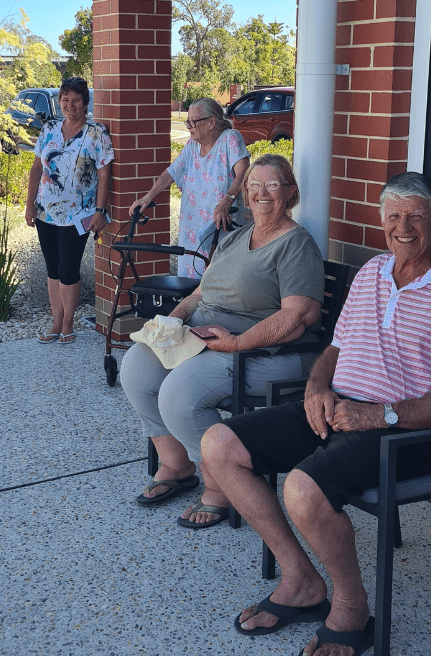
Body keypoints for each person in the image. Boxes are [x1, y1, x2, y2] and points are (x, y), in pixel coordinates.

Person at [200, 171, 431, 656]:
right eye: (393, 216)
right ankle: (300, 579)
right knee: (219, 445)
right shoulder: (372, 272)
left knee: (303, 490)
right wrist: (317, 386)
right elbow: (336, 347)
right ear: (382, 221)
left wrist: (379, 415)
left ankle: (350, 607)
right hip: (339, 409)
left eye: (416, 217)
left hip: (405, 432)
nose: (403, 228)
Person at [120, 154, 324, 528]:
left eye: (272, 185)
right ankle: (176, 465)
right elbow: (201, 292)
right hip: (209, 339)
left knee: (179, 392)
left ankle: (220, 486)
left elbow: (299, 316)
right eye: (253, 185)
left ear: (290, 192)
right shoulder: (236, 237)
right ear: (245, 193)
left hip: (268, 352)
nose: (262, 193)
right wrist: (174, 319)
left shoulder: (296, 244)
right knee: (137, 367)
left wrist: (238, 343)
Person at [25, 76, 113, 345]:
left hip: (78, 214)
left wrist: (100, 210)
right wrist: (29, 205)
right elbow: (37, 168)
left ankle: (68, 322)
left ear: (86, 103)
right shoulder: (49, 129)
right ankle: (56, 321)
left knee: (68, 268)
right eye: (65, 100)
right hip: (46, 212)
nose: (70, 105)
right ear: (59, 102)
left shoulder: (97, 133)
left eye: (76, 100)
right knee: (52, 268)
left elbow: (104, 174)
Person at [129, 97, 249, 278]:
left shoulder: (230, 138)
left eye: (193, 122)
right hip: (193, 226)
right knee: (190, 279)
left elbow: (244, 173)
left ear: (212, 122)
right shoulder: (192, 144)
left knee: (219, 280)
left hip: (221, 223)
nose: (188, 126)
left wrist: (227, 200)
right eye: (187, 121)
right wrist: (147, 198)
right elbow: (171, 172)